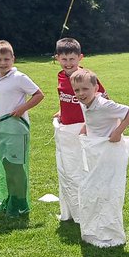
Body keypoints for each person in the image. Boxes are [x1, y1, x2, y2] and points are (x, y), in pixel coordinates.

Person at [71, 67, 129, 246]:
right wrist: (85, 128)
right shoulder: (84, 103)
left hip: (110, 152)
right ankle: (98, 226)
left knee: (108, 190)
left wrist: (117, 132)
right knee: (96, 189)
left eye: (85, 89)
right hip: (96, 151)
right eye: (77, 90)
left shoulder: (104, 105)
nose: (81, 94)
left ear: (96, 88)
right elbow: (91, 118)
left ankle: (110, 232)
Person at [0, 39, 44, 217]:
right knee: (7, 165)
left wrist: (22, 109)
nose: (3, 63)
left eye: (6, 59)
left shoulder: (19, 77)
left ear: (13, 59)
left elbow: (39, 94)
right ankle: (11, 197)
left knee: (16, 167)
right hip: (1, 129)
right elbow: (3, 95)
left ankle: (20, 202)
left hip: (17, 130)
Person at [51, 37, 104, 223]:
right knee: (67, 171)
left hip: (82, 130)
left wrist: (88, 124)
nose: (68, 63)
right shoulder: (60, 76)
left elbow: (102, 100)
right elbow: (67, 98)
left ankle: (86, 211)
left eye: (72, 59)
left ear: (80, 58)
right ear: (57, 58)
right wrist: (62, 111)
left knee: (81, 171)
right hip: (66, 131)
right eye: (64, 59)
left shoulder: (86, 77)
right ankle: (72, 210)